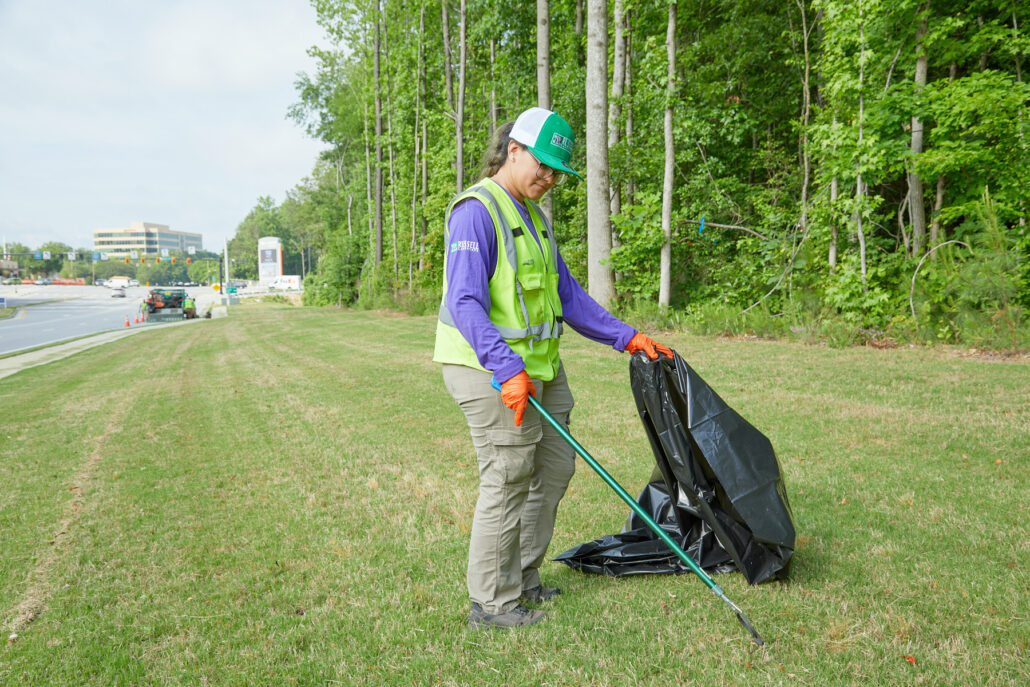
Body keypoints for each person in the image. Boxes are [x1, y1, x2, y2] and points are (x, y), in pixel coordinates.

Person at [434, 107, 673, 630]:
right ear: (513, 150)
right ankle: (492, 604)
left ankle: (523, 577)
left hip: (540, 366)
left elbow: (568, 296)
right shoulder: (477, 211)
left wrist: (626, 337)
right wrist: (506, 367)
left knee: (555, 466)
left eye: (557, 173)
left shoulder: (535, 218)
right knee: (508, 474)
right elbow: (466, 301)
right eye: (541, 166)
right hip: (487, 367)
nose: (549, 178)